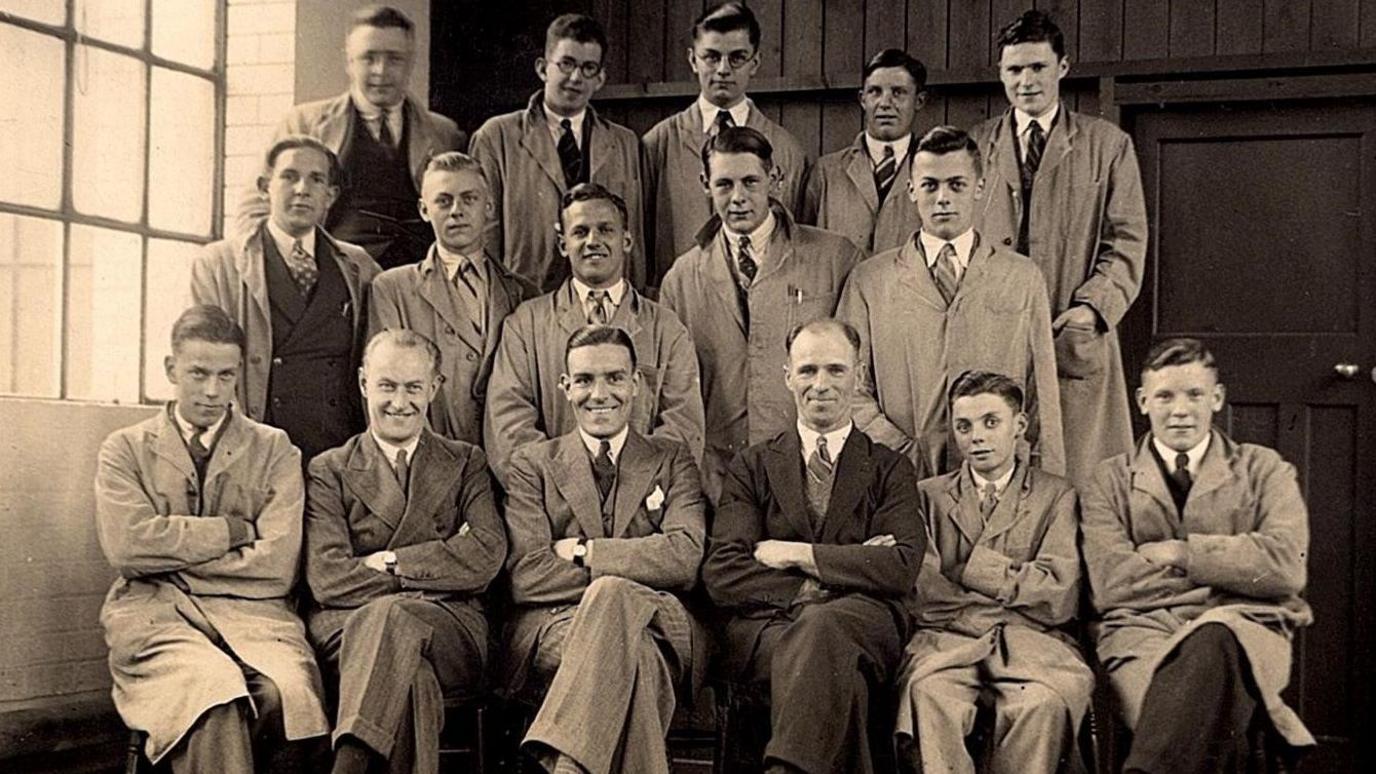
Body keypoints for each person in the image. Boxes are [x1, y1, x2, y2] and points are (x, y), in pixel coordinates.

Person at [94, 305, 328, 772]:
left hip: (257, 619)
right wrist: (233, 532)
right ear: (170, 369)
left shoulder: (274, 449)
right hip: (156, 617)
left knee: (289, 696)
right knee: (214, 694)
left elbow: (277, 565)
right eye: (198, 373)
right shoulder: (125, 449)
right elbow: (126, 547)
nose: (212, 391)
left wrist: (171, 558)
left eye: (226, 375)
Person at [1082, 338, 1314, 772]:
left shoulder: (1263, 469)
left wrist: (1183, 553)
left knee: (1214, 640)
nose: (1181, 409)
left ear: (1218, 398)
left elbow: (1286, 567)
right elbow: (1111, 583)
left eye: (1194, 394)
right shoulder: (1110, 480)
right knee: (1214, 725)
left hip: (1244, 625)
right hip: (1142, 634)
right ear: (1142, 401)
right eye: (1165, 396)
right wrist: (1232, 569)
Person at [703, 319, 923, 774]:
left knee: (826, 635)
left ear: (858, 376)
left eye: (835, 370)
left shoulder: (890, 468)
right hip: (774, 626)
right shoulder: (754, 465)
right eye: (807, 371)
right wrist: (839, 573)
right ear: (787, 377)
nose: (820, 385)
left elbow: (900, 564)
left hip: (867, 624)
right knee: (844, 680)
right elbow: (723, 570)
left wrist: (797, 555)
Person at [502, 325, 707, 774]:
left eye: (615, 378)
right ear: (565, 387)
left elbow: (686, 555)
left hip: (661, 619)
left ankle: (568, 763)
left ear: (636, 384)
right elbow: (528, 573)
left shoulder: (671, 458)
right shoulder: (533, 464)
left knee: (613, 593)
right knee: (637, 660)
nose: (600, 393)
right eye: (584, 380)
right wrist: (637, 563)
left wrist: (585, 552)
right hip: (560, 624)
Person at [304, 329, 507, 774]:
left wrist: (393, 562)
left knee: (392, 615)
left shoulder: (466, 461)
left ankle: (349, 763)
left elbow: (486, 555)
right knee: (410, 676)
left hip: (450, 630)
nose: (400, 401)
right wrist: (441, 560)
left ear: (434, 387)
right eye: (387, 386)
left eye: (414, 387)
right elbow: (327, 576)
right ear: (363, 384)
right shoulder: (330, 469)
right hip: (350, 631)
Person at [972, 9, 1148, 486]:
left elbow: (1127, 239)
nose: (1026, 81)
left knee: (1080, 476)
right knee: (997, 463)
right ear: (1001, 73)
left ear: (1063, 67)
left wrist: (1092, 309)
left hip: (1070, 330)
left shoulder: (1107, 145)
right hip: (995, 327)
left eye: (1037, 68)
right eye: (1014, 70)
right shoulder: (976, 144)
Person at [837, 125, 1063, 479]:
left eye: (956, 184)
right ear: (911, 190)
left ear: (979, 188)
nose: (943, 197)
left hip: (999, 474)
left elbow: (1041, 394)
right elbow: (848, 386)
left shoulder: (1021, 277)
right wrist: (898, 449)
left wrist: (1045, 485)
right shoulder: (870, 280)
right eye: (930, 185)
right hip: (897, 474)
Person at [894, 371, 1091, 774]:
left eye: (991, 422)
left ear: (1019, 426)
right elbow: (925, 594)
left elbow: (1058, 593)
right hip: (947, 643)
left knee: (1041, 704)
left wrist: (973, 570)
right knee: (929, 695)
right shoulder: (927, 496)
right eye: (963, 426)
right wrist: (1013, 591)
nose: (976, 437)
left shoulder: (1056, 496)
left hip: (1034, 645)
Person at [660, 127, 861, 502]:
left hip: (813, 469)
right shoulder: (681, 278)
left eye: (751, 182)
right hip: (720, 476)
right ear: (706, 184)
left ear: (776, 179)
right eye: (724, 184)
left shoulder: (834, 258)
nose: (738, 198)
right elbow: (676, 393)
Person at [485, 183, 703, 488]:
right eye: (580, 232)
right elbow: (508, 423)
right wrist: (562, 488)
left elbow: (683, 424)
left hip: (644, 506)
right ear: (563, 244)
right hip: (553, 504)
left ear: (626, 240)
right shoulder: (525, 325)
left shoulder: (667, 328)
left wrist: (631, 489)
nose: (593, 241)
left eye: (605, 230)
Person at [194, 136, 380, 463]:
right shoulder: (218, 264)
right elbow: (204, 362)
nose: (302, 189)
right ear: (266, 187)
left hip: (339, 453)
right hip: (258, 452)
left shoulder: (359, 266)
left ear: (330, 196)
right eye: (289, 176)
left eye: (316, 179)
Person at [241, 5, 466, 269]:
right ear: (350, 62)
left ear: (410, 62)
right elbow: (254, 208)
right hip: (330, 280)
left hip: (416, 287)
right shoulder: (304, 124)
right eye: (369, 58)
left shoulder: (445, 134)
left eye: (394, 59)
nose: (380, 71)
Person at [368, 152, 538, 445]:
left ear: (489, 207)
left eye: (469, 199)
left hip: (507, 461)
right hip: (430, 463)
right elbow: (382, 394)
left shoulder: (523, 292)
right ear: (424, 210)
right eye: (443, 201)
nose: (456, 210)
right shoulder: (393, 289)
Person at [469, 13, 645, 292]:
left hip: (602, 301)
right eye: (566, 64)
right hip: (525, 301)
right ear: (542, 68)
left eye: (588, 68)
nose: (576, 78)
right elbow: (482, 236)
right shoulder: (497, 137)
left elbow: (634, 240)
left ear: (600, 78)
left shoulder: (624, 143)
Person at [643, 2, 808, 287]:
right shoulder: (659, 142)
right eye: (711, 57)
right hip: (681, 301)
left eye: (737, 58)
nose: (722, 69)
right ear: (693, 60)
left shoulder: (786, 149)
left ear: (754, 62)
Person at [799, 48, 928, 255]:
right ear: (862, 99)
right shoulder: (825, 173)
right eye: (875, 92)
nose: (885, 103)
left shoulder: (934, 172)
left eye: (898, 92)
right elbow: (802, 248)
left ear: (919, 101)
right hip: (842, 287)